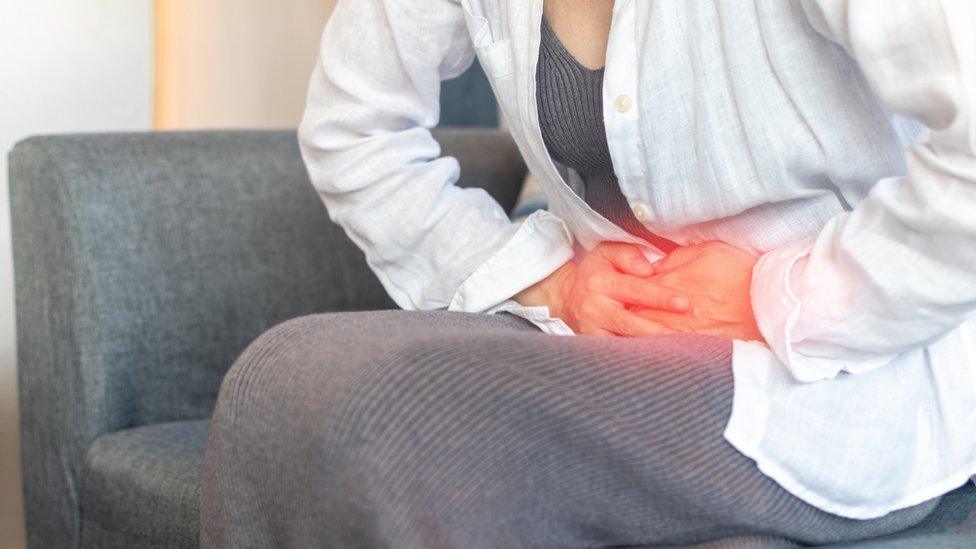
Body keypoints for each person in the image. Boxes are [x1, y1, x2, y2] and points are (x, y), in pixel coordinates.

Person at [200, 0, 976, 547]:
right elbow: (352, 131)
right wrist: (548, 280)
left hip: (839, 379)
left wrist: (775, 293)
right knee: (276, 377)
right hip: (610, 347)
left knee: (410, 417)